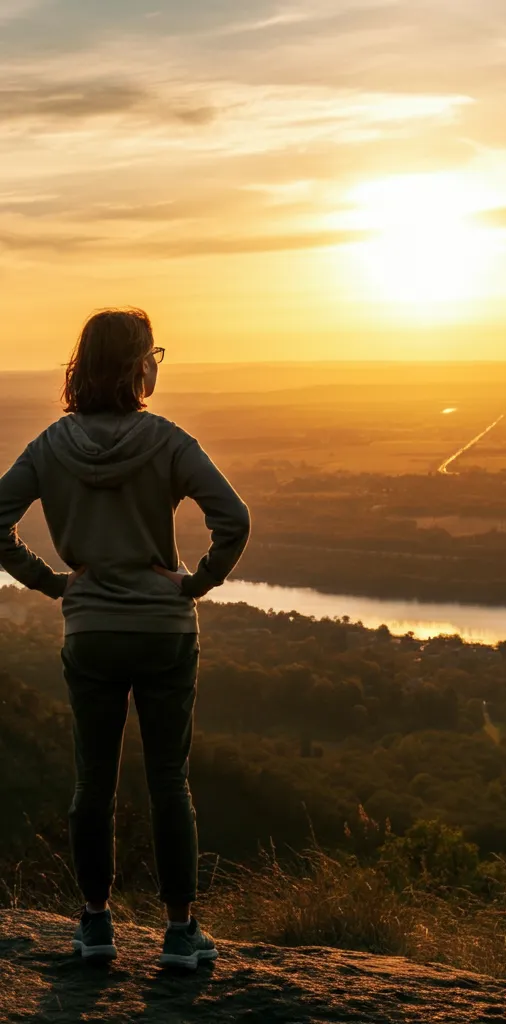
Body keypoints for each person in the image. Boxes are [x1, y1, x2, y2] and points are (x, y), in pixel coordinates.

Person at [0, 308, 250, 969]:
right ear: (138, 366)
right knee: (170, 781)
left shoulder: (51, 446)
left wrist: (55, 586)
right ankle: (179, 933)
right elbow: (234, 518)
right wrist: (194, 584)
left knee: (93, 783)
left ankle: (95, 926)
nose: (156, 365)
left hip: (92, 633)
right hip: (164, 631)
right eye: (153, 354)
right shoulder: (167, 441)